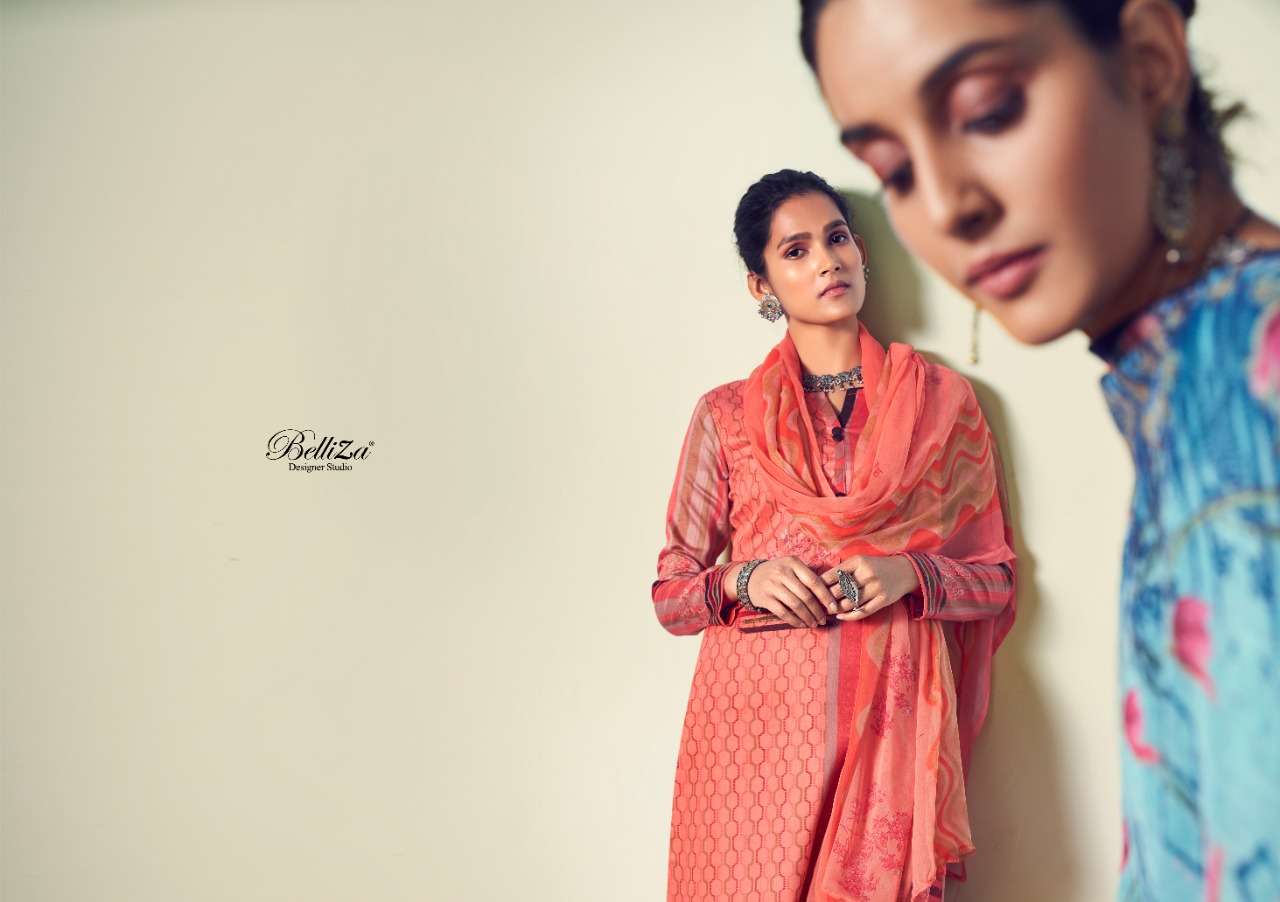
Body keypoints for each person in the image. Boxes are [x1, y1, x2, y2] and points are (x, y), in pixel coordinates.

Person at [796, 1, 1280, 898]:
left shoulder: (1254, 376)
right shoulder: (1185, 376)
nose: (947, 207)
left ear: (1148, 60)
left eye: (987, 111)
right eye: (894, 170)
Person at [651, 169, 1017, 902]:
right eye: (796, 251)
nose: (826, 261)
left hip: (890, 742)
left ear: (861, 252)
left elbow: (996, 581)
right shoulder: (725, 416)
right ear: (761, 286)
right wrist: (745, 578)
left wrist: (913, 574)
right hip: (754, 748)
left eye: (837, 238)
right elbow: (672, 596)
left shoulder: (942, 405)